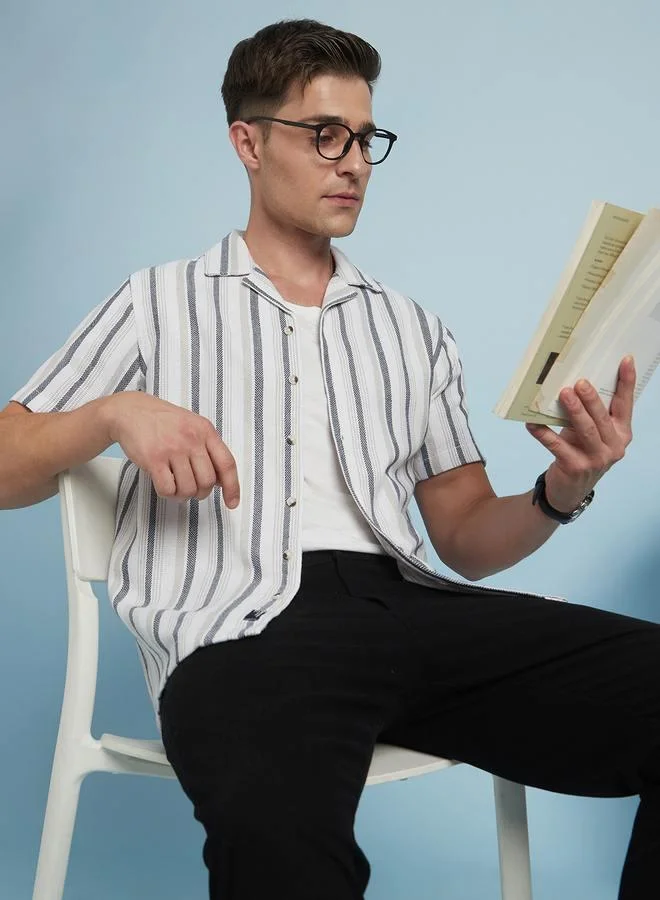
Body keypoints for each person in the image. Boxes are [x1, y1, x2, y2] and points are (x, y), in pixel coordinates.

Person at [0, 18, 657, 900]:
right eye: (325, 135)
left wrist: (558, 491)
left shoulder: (411, 328)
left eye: (366, 138)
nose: (353, 161)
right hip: (242, 629)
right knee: (281, 841)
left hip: (411, 608)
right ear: (248, 142)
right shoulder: (154, 304)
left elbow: (461, 537)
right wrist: (117, 414)